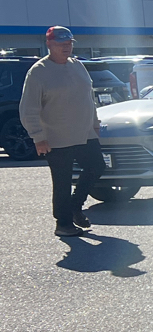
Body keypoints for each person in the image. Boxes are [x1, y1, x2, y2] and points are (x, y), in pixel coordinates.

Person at [19, 26, 102, 238]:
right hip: (56, 137)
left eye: (69, 43)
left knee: (96, 167)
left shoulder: (78, 66)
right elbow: (28, 108)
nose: (67, 47)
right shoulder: (39, 72)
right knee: (62, 181)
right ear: (49, 45)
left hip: (85, 133)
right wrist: (38, 137)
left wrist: (95, 122)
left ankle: (75, 206)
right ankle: (63, 223)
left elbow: (88, 97)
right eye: (61, 44)